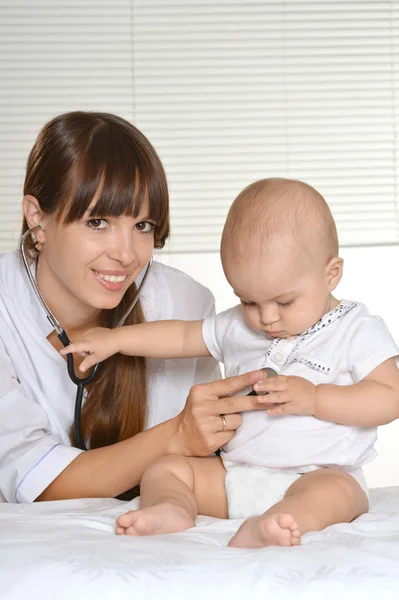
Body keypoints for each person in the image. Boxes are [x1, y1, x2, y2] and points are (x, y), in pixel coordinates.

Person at [63, 178, 399, 548]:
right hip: (235, 475)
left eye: (284, 302)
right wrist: (115, 340)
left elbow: (389, 396)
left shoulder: (356, 328)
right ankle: (173, 508)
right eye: (250, 301)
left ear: (331, 273)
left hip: (318, 474)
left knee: (339, 495)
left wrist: (316, 398)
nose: (266, 317)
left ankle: (275, 525)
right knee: (165, 469)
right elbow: (181, 337)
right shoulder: (238, 325)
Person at [0, 111, 268, 504]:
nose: (126, 255)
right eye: (97, 222)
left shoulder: (186, 304)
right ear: (37, 218)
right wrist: (175, 435)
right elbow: (34, 481)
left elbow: (212, 458)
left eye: (142, 226)